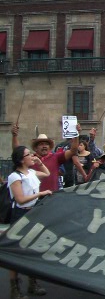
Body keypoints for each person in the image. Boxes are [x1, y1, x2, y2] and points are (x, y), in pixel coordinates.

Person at [7, 145, 52, 298]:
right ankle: (15, 288)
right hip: (20, 214)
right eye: (28, 154)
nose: (32, 156)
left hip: (33, 213)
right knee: (16, 251)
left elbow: (47, 173)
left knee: (32, 248)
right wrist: (40, 194)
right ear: (21, 160)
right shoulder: (15, 176)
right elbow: (20, 199)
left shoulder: (31, 172)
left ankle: (33, 283)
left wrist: (40, 162)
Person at [12, 124, 77, 192]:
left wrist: (76, 135)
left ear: (49, 147)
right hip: (35, 196)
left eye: (46, 144)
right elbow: (18, 152)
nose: (44, 146)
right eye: (41, 144)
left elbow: (73, 151)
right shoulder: (30, 159)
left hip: (52, 195)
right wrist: (14, 136)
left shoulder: (56, 157)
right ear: (36, 148)